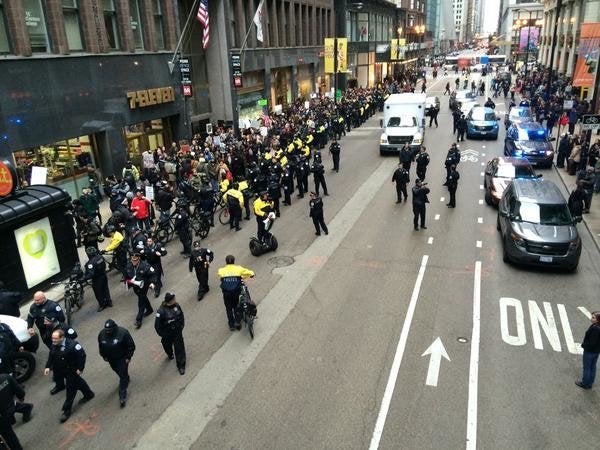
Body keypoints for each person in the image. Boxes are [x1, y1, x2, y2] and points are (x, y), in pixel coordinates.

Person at [44, 329, 94, 423]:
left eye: (55, 338)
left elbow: (82, 355)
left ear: (62, 338)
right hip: (62, 370)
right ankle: (89, 394)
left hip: (72, 370)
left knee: (70, 390)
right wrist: (48, 367)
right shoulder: (55, 344)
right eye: (52, 338)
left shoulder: (72, 345)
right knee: (79, 382)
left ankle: (66, 410)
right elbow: (51, 355)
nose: (53, 340)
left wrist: (80, 368)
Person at [98, 319, 135, 407]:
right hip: (111, 359)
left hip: (122, 358)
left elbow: (131, 345)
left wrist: (128, 357)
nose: (107, 332)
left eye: (109, 330)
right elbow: (101, 346)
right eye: (106, 330)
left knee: (122, 376)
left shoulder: (123, 333)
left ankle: (122, 397)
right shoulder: (102, 334)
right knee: (117, 371)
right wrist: (103, 356)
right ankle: (126, 378)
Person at [217, 255, 255, 331]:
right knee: (236, 306)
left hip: (226, 293)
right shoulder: (238, 269)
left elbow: (220, 277)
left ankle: (231, 325)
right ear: (234, 261)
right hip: (236, 292)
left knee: (228, 308)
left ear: (226, 262)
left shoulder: (221, 270)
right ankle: (238, 322)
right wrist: (250, 275)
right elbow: (251, 273)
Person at [154, 293, 186, 375]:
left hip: (177, 331)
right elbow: (157, 326)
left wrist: (181, 325)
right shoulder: (161, 312)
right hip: (167, 333)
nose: (175, 300)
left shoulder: (177, 306)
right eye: (173, 299)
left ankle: (181, 365)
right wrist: (163, 334)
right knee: (166, 344)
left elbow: (181, 315)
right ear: (170, 301)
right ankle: (170, 353)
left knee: (179, 348)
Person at [125, 253, 157, 329]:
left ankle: (138, 320)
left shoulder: (145, 265)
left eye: (135, 260)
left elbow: (153, 274)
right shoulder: (129, 265)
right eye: (132, 260)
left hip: (144, 285)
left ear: (139, 259)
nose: (133, 262)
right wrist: (127, 281)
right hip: (135, 286)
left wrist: (152, 283)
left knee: (141, 302)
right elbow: (127, 275)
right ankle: (149, 309)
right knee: (143, 298)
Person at [0, 373, 27, 450]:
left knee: (7, 434)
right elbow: (20, 391)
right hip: (10, 408)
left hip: (2, 417)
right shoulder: (5, 377)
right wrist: (21, 398)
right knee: (10, 435)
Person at [82, 247, 113, 311]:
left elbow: (90, 274)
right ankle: (109, 301)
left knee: (98, 292)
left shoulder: (90, 263)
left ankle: (102, 304)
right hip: (103, 275)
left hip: (97, 279)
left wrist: (84, 278)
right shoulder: (100, 257)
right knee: (105, 289)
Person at [575, 311, 600, 390]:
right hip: (596, 352)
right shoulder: (596, 326)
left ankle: (585, 383)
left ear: (598, 320)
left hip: (590, 352)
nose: (591, 318)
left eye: (593, 318)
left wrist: (584, 345)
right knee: (592, 367)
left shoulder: (596, 329)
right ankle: (590, 383)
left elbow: (591, 343)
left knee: (587, 368)